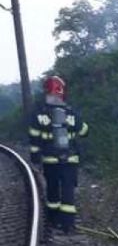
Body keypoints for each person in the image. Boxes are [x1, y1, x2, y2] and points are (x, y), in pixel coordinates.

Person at [28, 75, 90, 232]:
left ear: (46, 91)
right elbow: (84, 131)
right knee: (68, 189)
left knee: (53, 189)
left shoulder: (39, 114)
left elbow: (34, 137)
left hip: (50, 160)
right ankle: (68, 224)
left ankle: (53, 220)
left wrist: (35, 157)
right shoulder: (71, 112)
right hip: (70, 159)